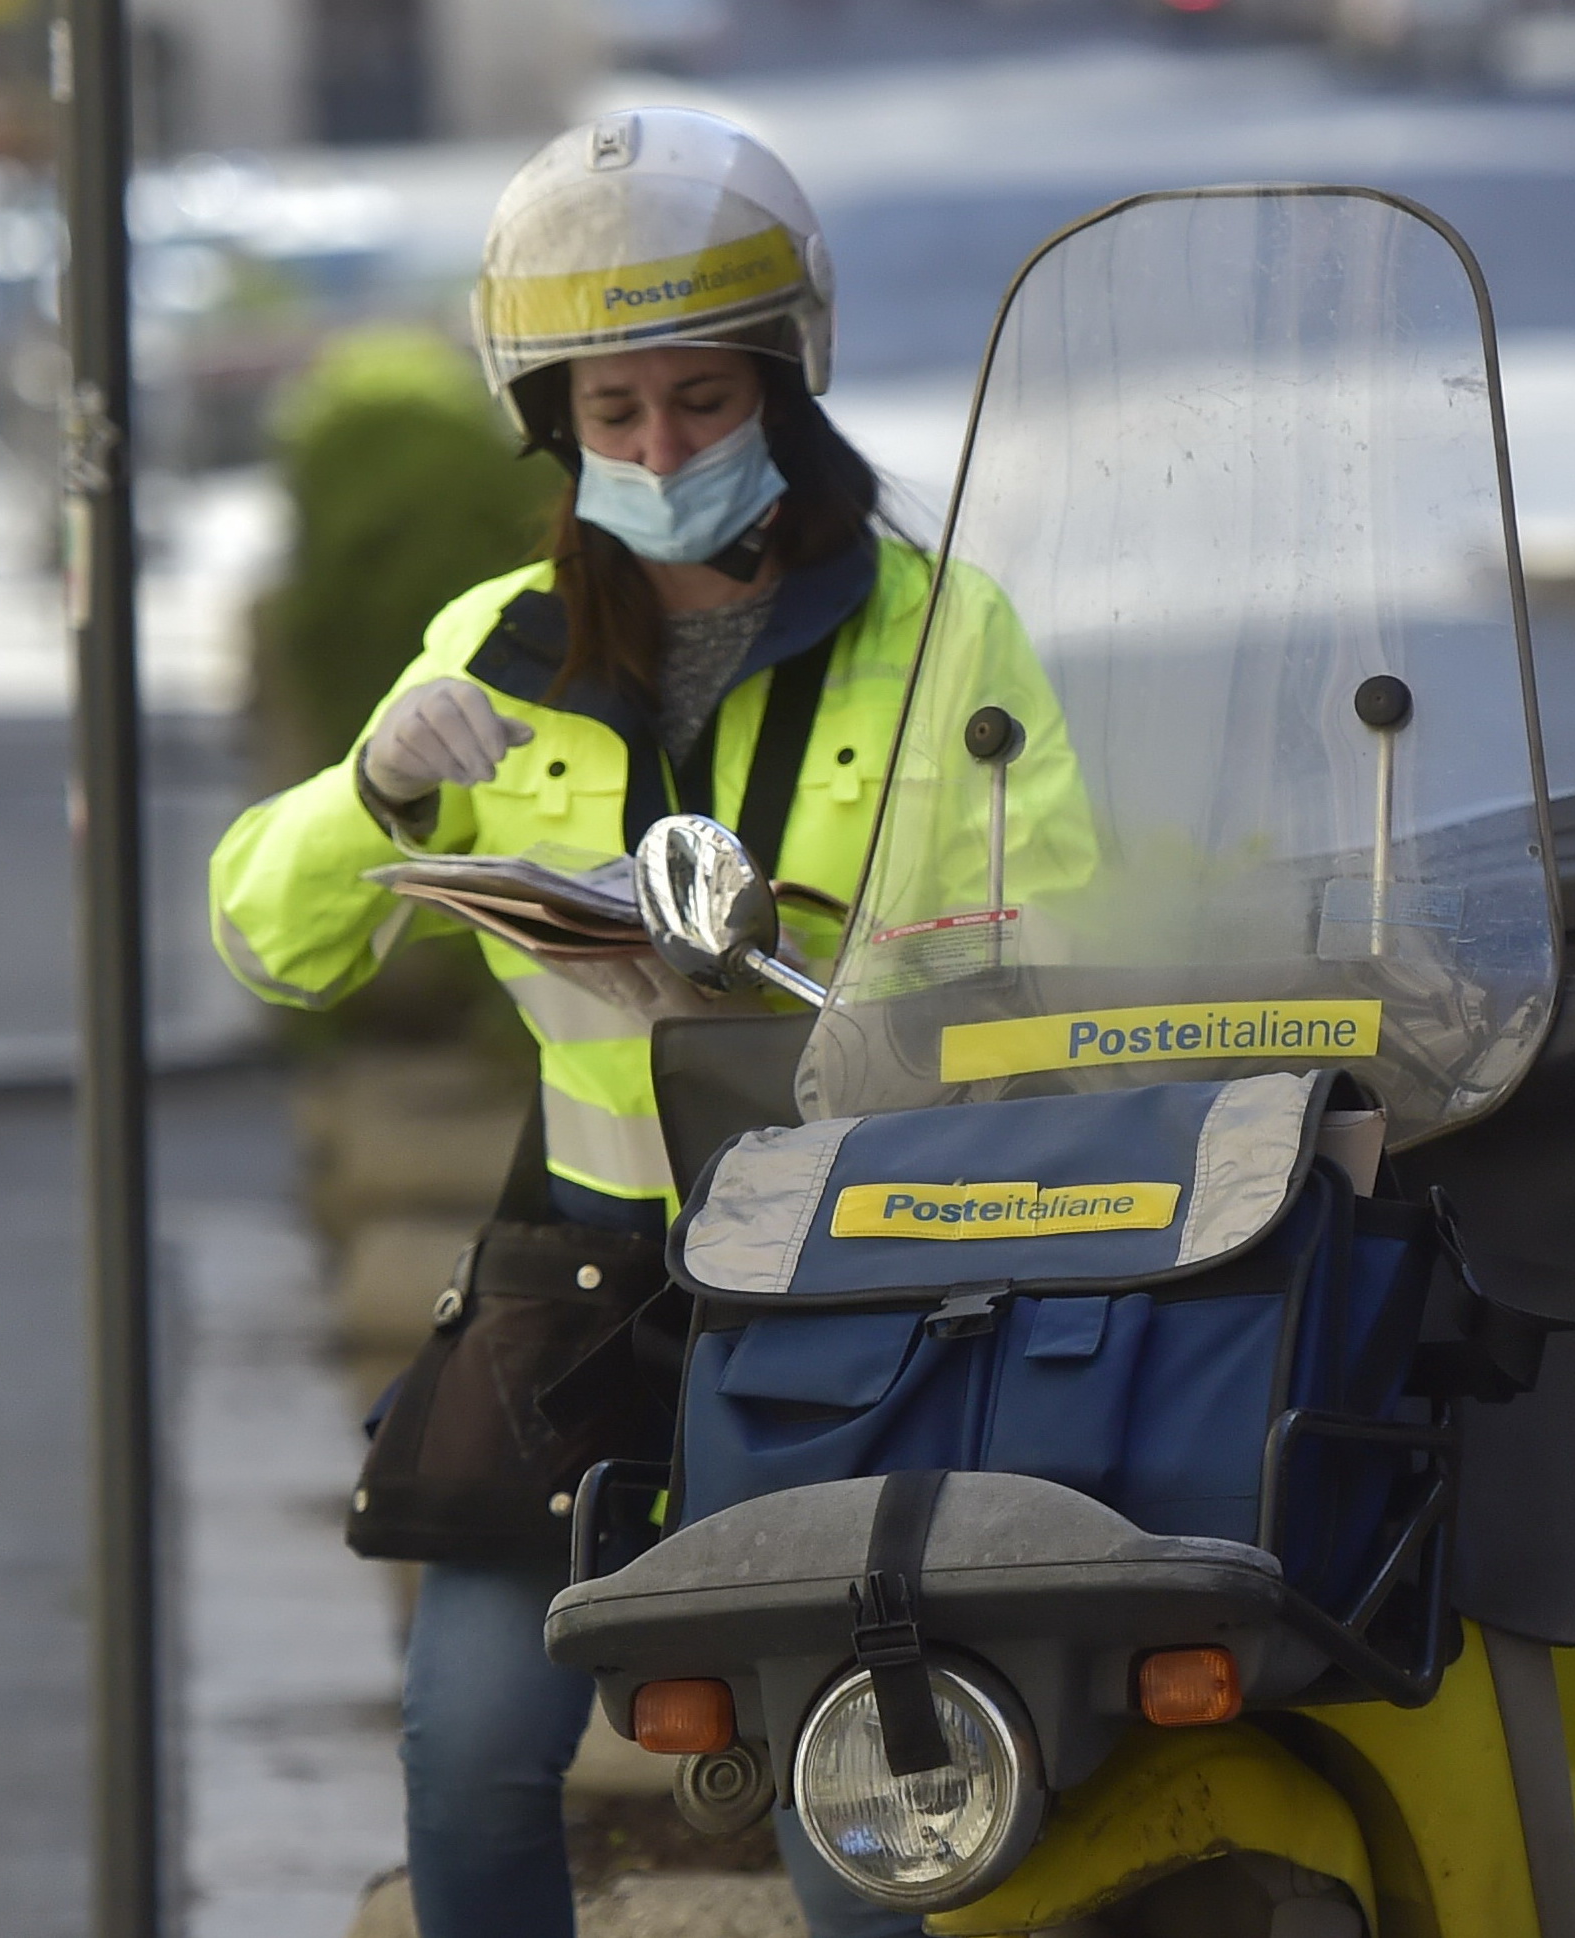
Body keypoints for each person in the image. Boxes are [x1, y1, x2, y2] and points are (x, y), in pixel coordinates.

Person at [208, 107, 1074, 1938]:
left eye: (698, 401)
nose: (659, 446)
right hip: (588, 1278)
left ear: (783, 383)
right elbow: (276, 954)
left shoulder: (944, 637)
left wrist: (793, 968)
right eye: (615, 415)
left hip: (865, 1281)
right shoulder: (496, 642)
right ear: (561, 427)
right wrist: (372, 794)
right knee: (465, 1746)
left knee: (866, 1798)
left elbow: (1050, 948)